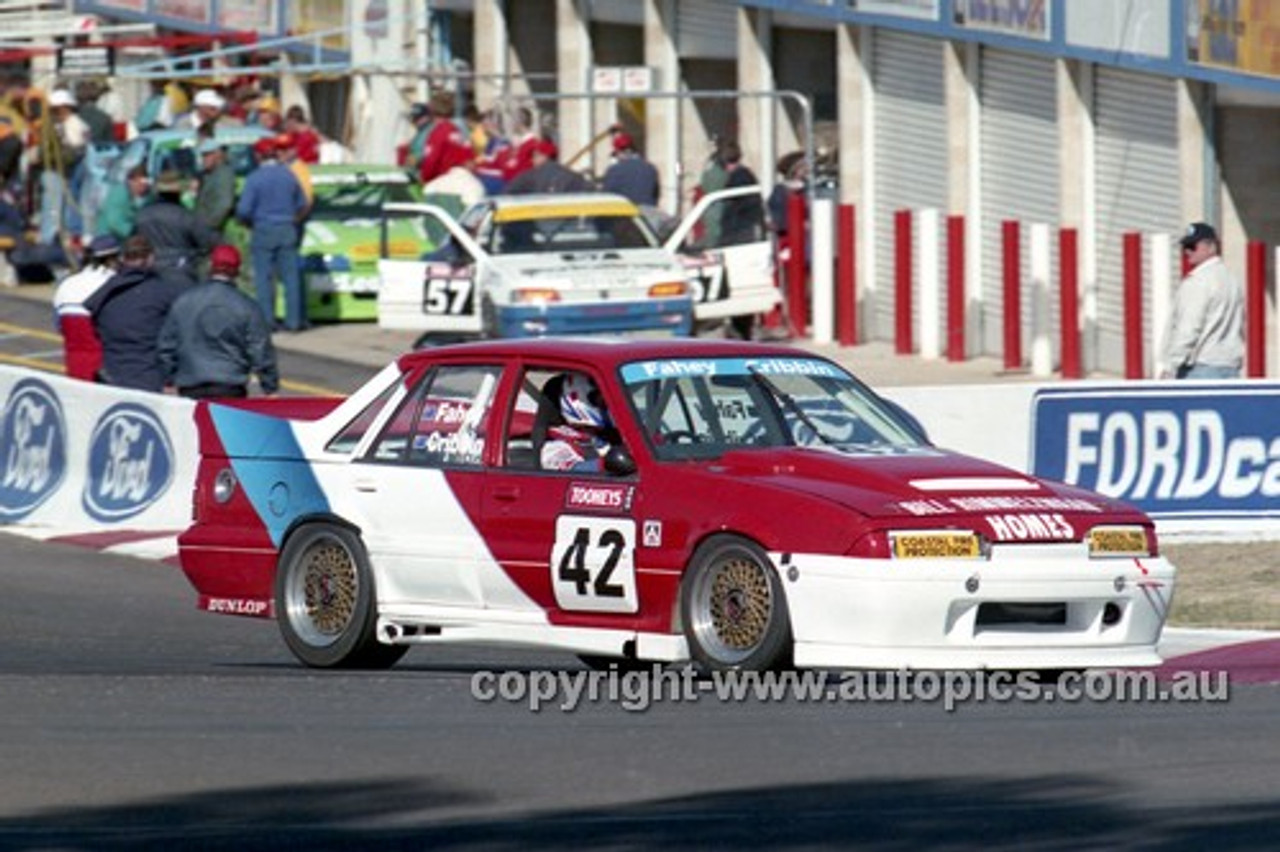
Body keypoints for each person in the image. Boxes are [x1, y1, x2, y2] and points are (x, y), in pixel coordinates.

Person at [157, 244, 279, 399]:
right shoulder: (247, 306)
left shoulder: (184, 301)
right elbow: (260, 351)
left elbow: (166, 346)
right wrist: (270, 387)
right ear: (236, 271)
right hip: (230, 386)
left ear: (211, 267)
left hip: (191, 385)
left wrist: (168, 379)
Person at [84, 235, 185, 391]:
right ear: (150, 258)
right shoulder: (164, 292)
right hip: (148, 379)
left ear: (123, 258)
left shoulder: (106, 292)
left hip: (111, 377)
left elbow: (96, 329)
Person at [236, 136, 308, 330]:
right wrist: (293, 220)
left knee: (264, 279)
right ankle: (294, 322)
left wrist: (248, 223)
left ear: (259, 156)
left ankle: (267, 322)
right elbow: (302, 204)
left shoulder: (255, 178)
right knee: (290, 278)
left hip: (263, 229)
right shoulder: (289, 175)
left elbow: (243, 210)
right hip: (287, 228)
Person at [1160, 222, 1244, 379]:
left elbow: (1189, 328)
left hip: (1200, 368)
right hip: (1230, 368)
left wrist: (1170, 366)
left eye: (1192, 246)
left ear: (1211, 247)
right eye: (1185, 246)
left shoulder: (1198, 282)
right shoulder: (1232, 280)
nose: (1187, 251)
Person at [52, 235, 120, 381]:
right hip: (105, 371)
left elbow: (59, 326)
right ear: (112, 259)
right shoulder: (113, 284)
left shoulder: (66, 284)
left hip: (74, 367)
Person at [134, 169, 219, 287]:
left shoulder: (142, 216)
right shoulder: (186, 216)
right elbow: (210, 242)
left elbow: (133, 244)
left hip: (151, 275)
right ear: (178, 192)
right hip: (183, 274)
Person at [540, 373, 619, 472]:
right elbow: (572, 470)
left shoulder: (613, 434)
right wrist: (608, 464)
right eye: (601, 399)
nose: (609, 403)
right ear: (575, 399)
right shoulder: (557, 444)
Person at [718, 139, 765, 246]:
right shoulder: (746, 175)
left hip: (740, 231)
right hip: (744, 228)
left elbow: (733, 205)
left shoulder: (738, 178)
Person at [505, 138, 590, 195]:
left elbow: (507, 196)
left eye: (534, 156)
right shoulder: (574, 177)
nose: (532, 160)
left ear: (544, 156)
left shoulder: (527, 178)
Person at [601, 131, 659, 207]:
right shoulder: (650, 168)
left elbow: (607, 196)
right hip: (647, 214)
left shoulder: (614, 170)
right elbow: (656, 194)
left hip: (624, 215)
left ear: (618, 152)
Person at [97, 164, 150, 240]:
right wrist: (134, 232)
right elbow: (114, 222)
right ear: (131, 182)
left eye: (145, 183)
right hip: (108, 238)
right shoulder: (119, 193)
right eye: (139, 182)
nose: (143, 186)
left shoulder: (147, 197)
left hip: (125, 240)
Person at [194, 139, 235, 235]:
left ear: (218, 155)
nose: (204, 159)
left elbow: (225, 204)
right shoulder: (209, 174)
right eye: (203, 155)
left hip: (215, 230)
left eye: (207, 155)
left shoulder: (224, 175)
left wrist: (209, 226)